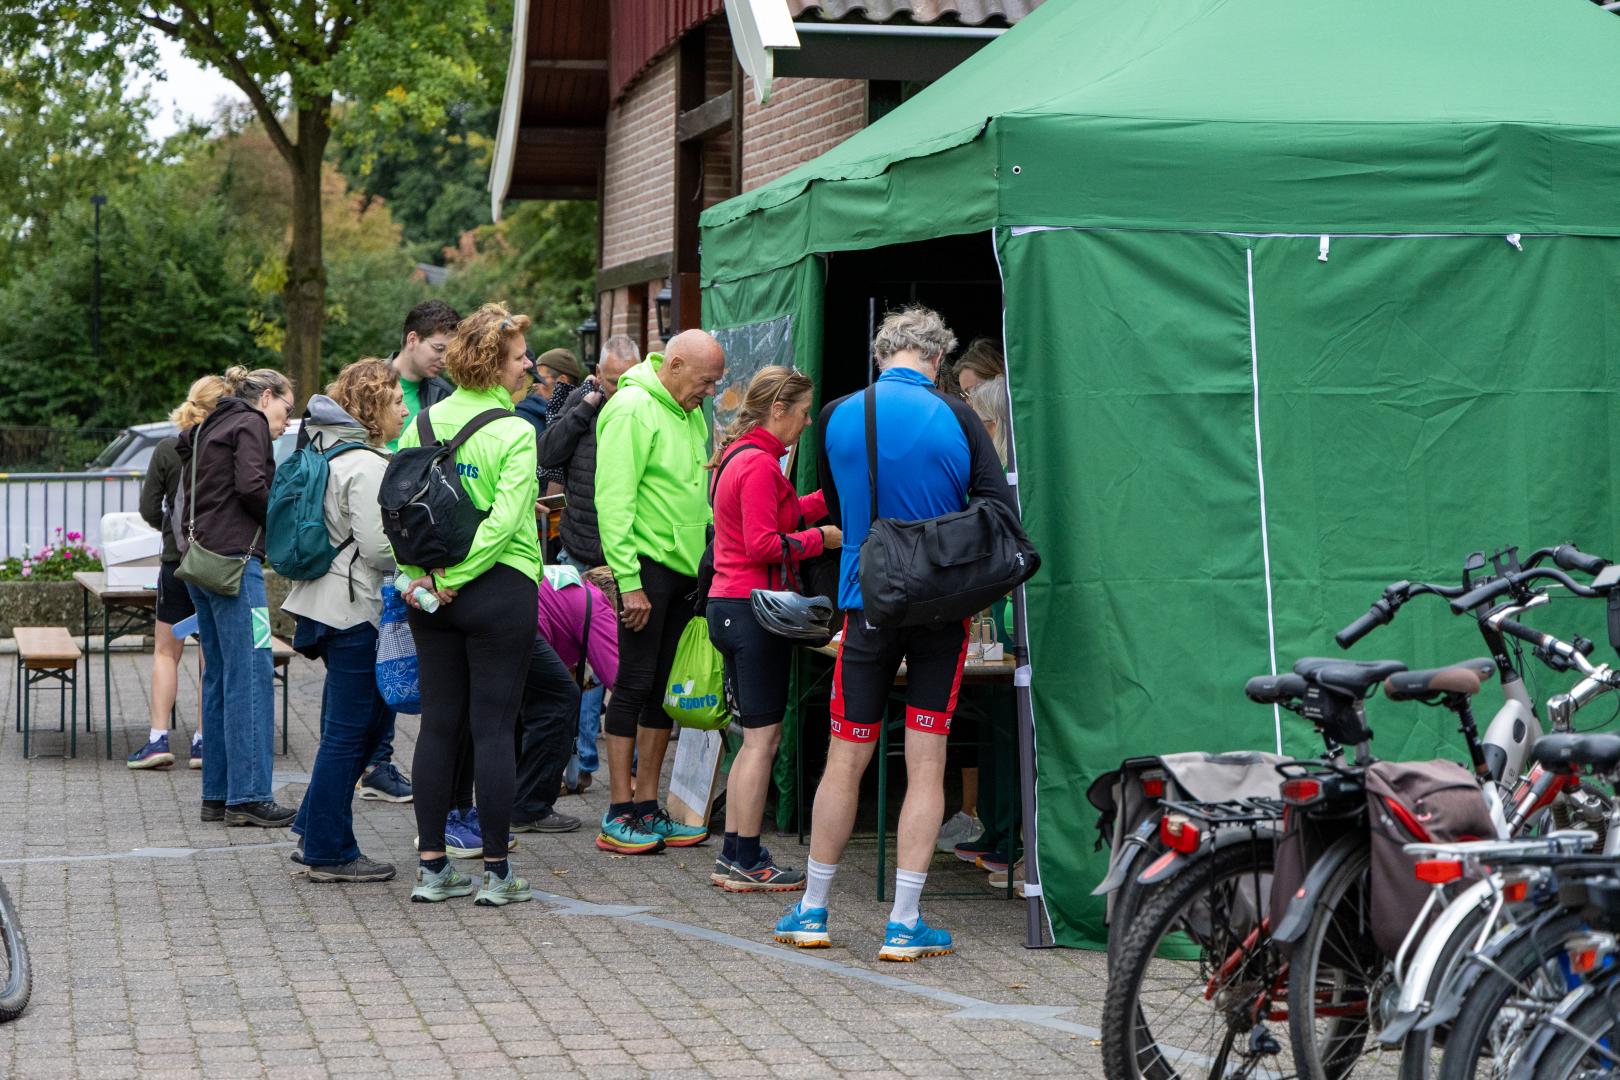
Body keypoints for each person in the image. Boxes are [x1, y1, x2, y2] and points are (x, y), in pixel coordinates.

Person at [773, 306, 1014, 961]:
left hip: (865, 605)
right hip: (940, 610)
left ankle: (812, 909)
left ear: (882, 355)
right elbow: (997, 512)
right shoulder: (959, 416)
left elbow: (837, 504)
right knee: (927, 761)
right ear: (937, 357)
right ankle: (905, 921)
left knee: (846, 756)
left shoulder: (836, 415)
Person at [396, 302, 541, 907]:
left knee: (438, 726)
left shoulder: (421, 423)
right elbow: (505, 522)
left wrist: (424, 578)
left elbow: (397, 508)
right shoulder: (515, 431)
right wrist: (458, 574)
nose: (527, 365)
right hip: (499, 589)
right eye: (519, 357)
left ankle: (432, 869)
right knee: (494, 729)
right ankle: (497, 875)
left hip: (431, 593)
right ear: (493, 365)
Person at [706, 366, 840, 891]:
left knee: (752, 739)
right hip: (753, 610)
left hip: (730, 605)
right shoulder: (760, 463)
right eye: (803, 413)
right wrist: (823, 539)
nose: (807, 423)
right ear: (778, 409)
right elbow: (764, 543)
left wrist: (824, 501)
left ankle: (735, 855)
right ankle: (746, 859)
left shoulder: (740, 455)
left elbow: (778, 517)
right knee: (763, 741)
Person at [592, 329, 724, 854]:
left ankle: (647, 805)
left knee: (664, 692)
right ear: (674, 366)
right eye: (705, 381)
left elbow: (691, 492)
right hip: (645, 571)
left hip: (684, 571)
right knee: (633, 683)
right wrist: (629, 583)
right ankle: (618, 811)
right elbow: (614, 502)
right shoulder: (630, 409)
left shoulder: (689, 411)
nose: (710, 393)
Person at [282, 360, 406, 883]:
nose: (405, 409)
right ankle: (329, 852)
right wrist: (419, 558)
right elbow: (378, 549)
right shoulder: (367, 465)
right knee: (349, 735)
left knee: (355, 728)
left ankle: (313, 829)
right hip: (355, 612)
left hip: (326, 606)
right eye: (396, 401)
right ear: (374, 409)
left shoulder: (328, 451)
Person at [178, 366, 297, 828]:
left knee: (220, 675)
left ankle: (218, 793)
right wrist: (281, 523)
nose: (287, 421)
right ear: (266, 397)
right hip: (235, 566)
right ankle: (249, 795)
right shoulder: (250, 423)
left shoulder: (211, 423)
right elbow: (251, 486)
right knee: (252, 672)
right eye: (286, 408)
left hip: (201, 563)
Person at [537, 334, 639, 795]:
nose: (619, 389)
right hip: (580, 551)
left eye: (627, 380)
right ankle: (573, 765)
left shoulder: (642, 410)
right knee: (574, 667)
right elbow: (547, 454)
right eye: (612, 381)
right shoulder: (583, 403)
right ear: (598, 375)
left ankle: (629, 766)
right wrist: (586, 407)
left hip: (626, 558)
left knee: (623, 664)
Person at [128, 377, 226, 770]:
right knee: (209, 654)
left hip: (176, 562)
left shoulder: (168, 449)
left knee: (166, 652)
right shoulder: (226, 447)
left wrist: (171, 530)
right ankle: (203, 742)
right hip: (217, 562)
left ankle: (157, 740)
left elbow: (149, 508)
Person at [510, 565, 617, 833]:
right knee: (560, 699)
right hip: (523, 626)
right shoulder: (598, 604)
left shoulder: (571, 584)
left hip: (505, 616)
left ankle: (509, 799)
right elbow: (617, 677)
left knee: (519, 709)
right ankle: (530, 807)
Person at [515, 348, 586, 437]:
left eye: (541, 379)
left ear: (562, 381)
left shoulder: (522, 416)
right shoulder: (584, 416)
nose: (534, 385)